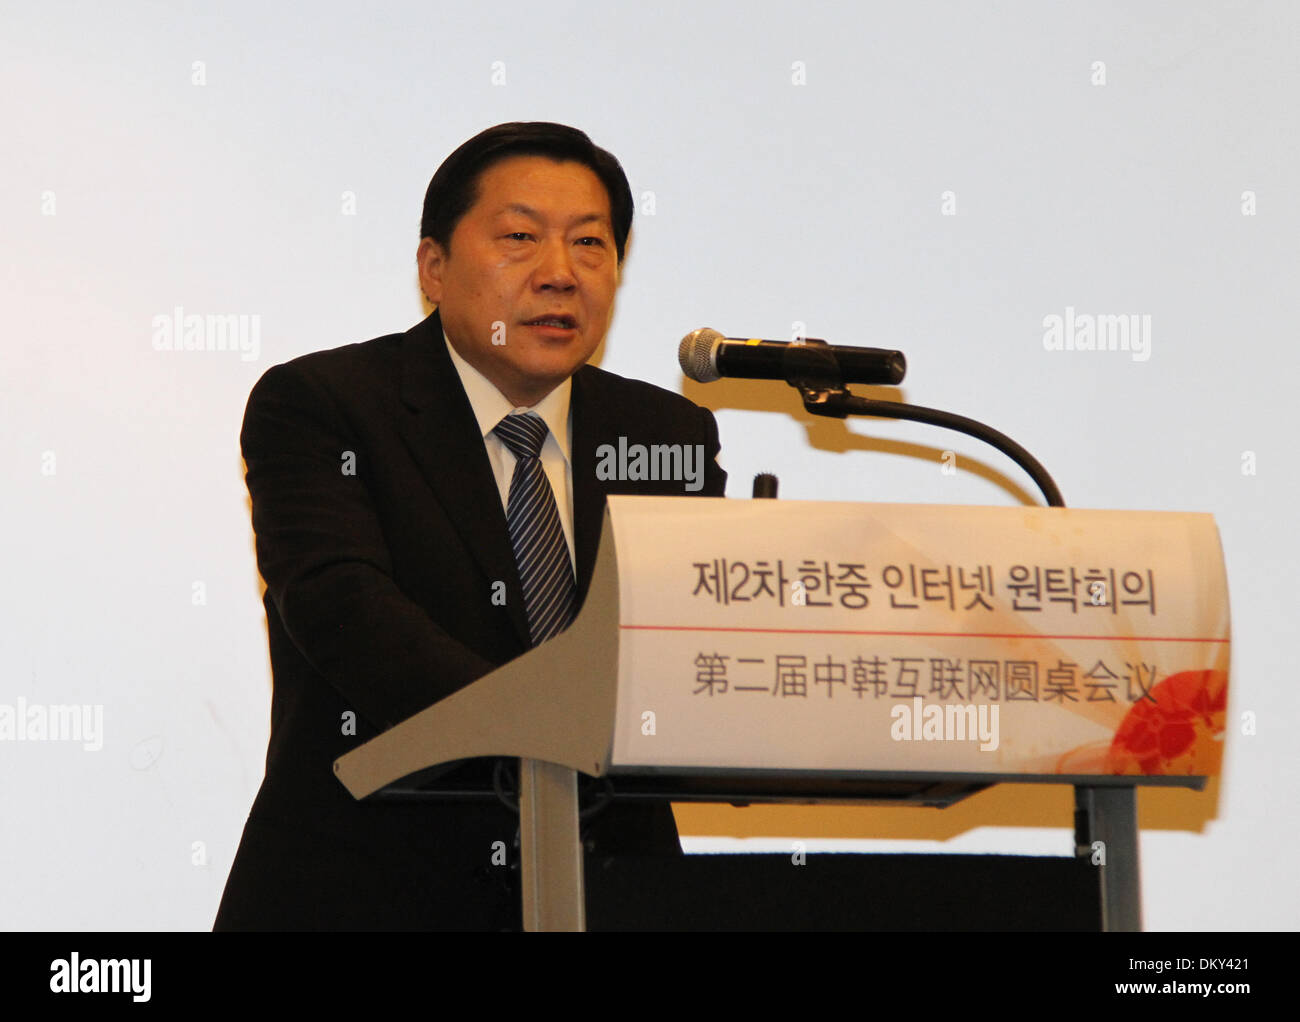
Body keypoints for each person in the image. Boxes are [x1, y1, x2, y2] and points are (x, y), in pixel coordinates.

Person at [214, 122, 727, 930]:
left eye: (590, 244)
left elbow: (692, 638)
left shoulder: (664, 433)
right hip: (367, 888)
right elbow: (343, 608)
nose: (560, 274)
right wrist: (556, 727)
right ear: (434, 268)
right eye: (520, 238)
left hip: (613, 888)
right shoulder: (326, 405)